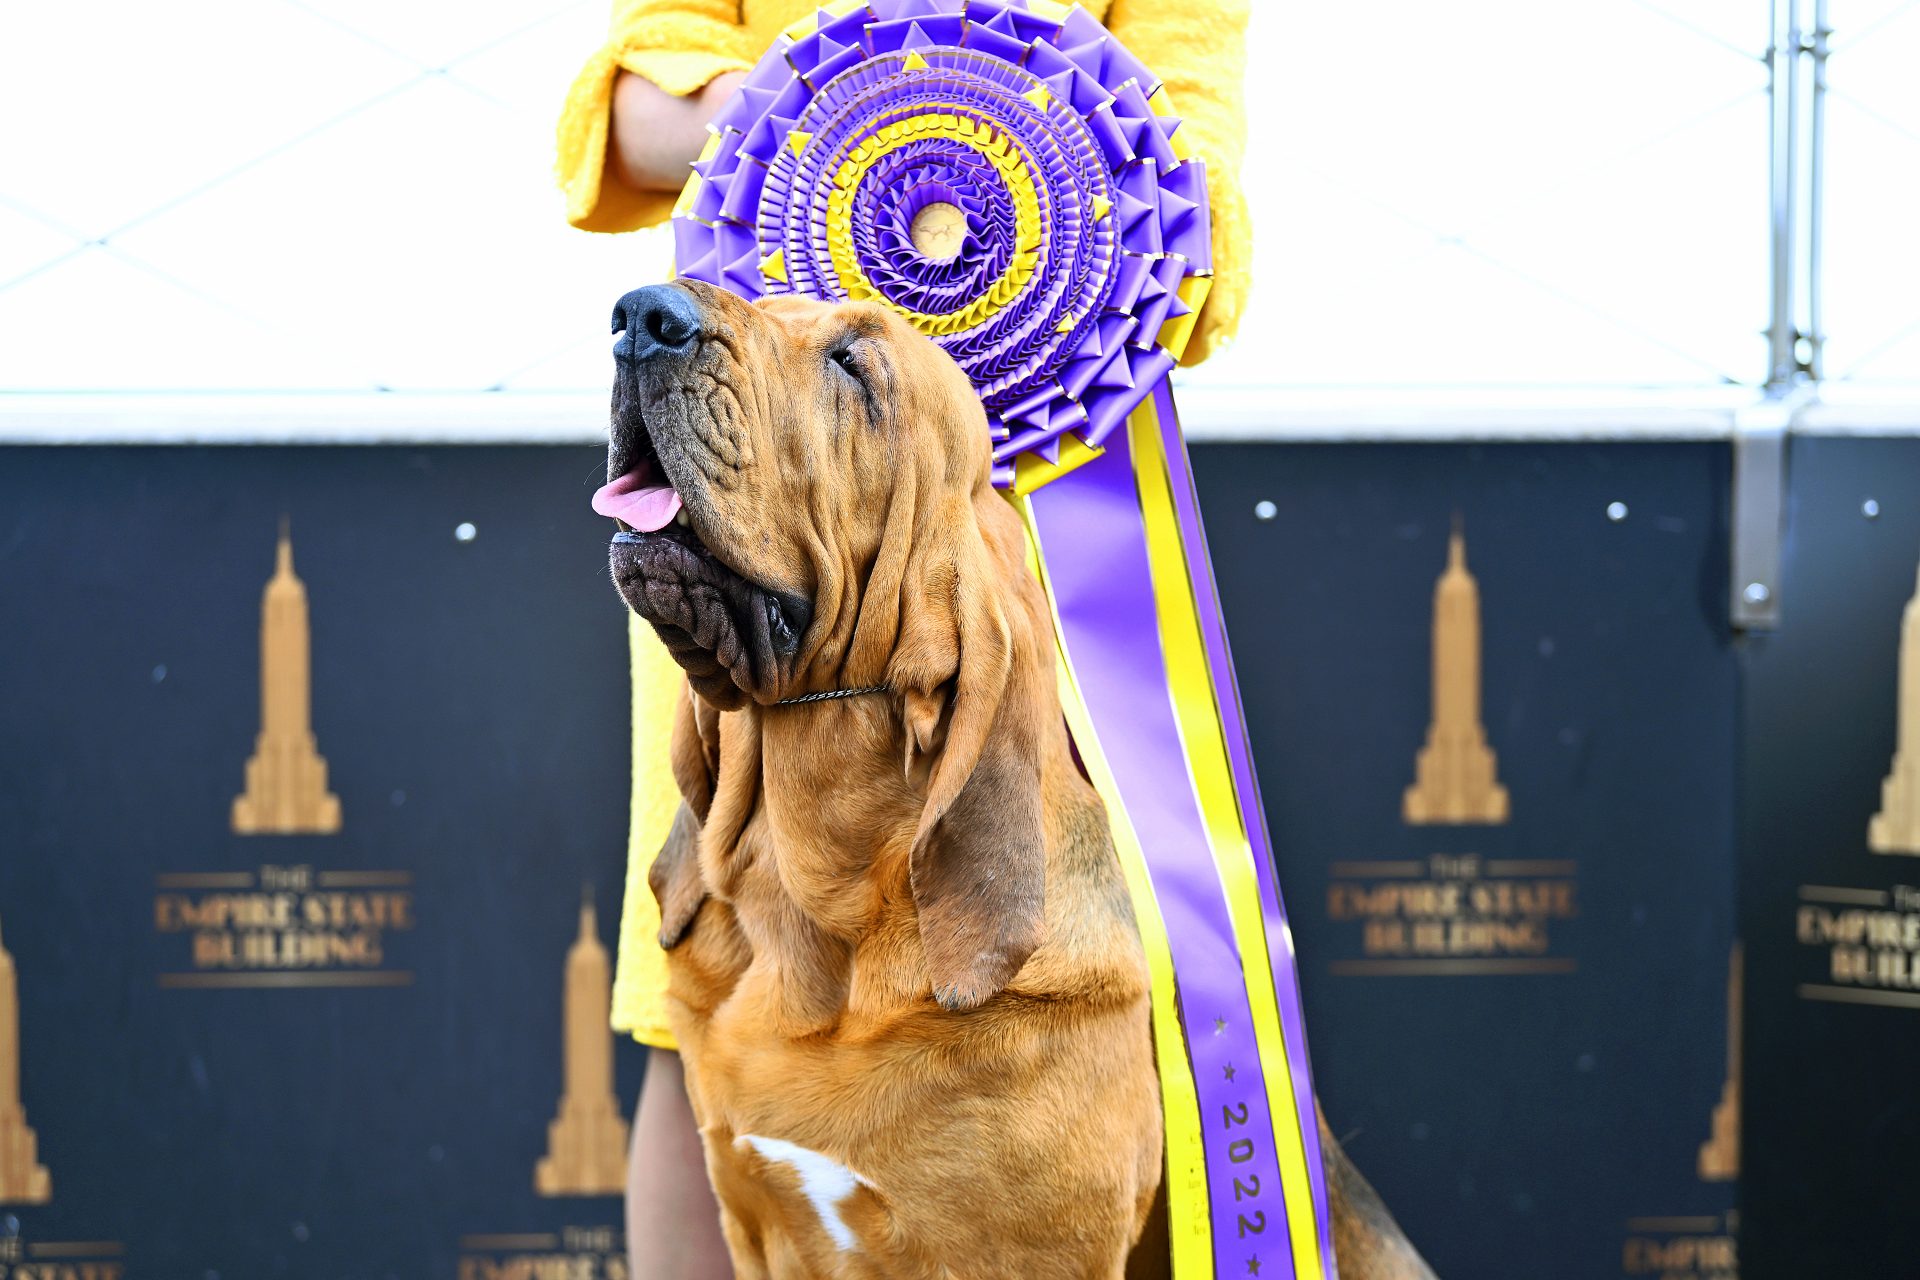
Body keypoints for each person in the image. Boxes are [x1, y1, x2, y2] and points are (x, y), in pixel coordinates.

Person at [555, 4, 1250, 1274]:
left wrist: (1035, 163)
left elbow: (1206, 197)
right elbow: (625, 109)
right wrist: (816, 129)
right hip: (747, 492)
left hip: (1041, 522)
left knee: (1031, 972)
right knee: (698, 976)